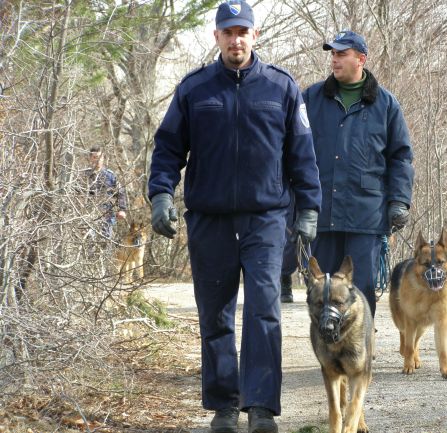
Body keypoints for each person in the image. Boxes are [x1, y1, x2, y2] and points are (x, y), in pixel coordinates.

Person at [147, 1, 321, 432]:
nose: (236, 38)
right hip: (210, 219)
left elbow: (302, 153)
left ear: (255, 35)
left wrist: (310, 209)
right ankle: (225, 406)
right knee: (216, 313)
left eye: (243, 30)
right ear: (217, 37)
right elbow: (168, 147)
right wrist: (160, 195)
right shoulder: (194, 89)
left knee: (264, 311)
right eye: (229, 31)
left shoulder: (281, 87)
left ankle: (261, 407)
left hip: (266, 219)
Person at [302, 30, 414, 318]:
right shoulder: (311, 99)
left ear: (360, 59)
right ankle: (329, 356)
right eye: (333, 54)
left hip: (366, 216)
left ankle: (361, 352)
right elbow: (292, 151)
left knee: (361, 290)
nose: (334, 59)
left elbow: (400, 156)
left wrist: (399, 200)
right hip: (322, 212)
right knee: (322, 290)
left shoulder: (386, 105)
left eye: (341, 54)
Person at [85, 147, 127, 239]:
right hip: (88, 214)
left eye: (100, 157)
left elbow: (121, 192)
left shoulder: (110, 175)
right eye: (95, 157)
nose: (98, 160)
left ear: (103, 158)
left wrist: (122, 209)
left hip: (107, 215)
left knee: (105, 242)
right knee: (88, 242)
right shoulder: (85, 175)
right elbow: (77, 193)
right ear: (90, 158)